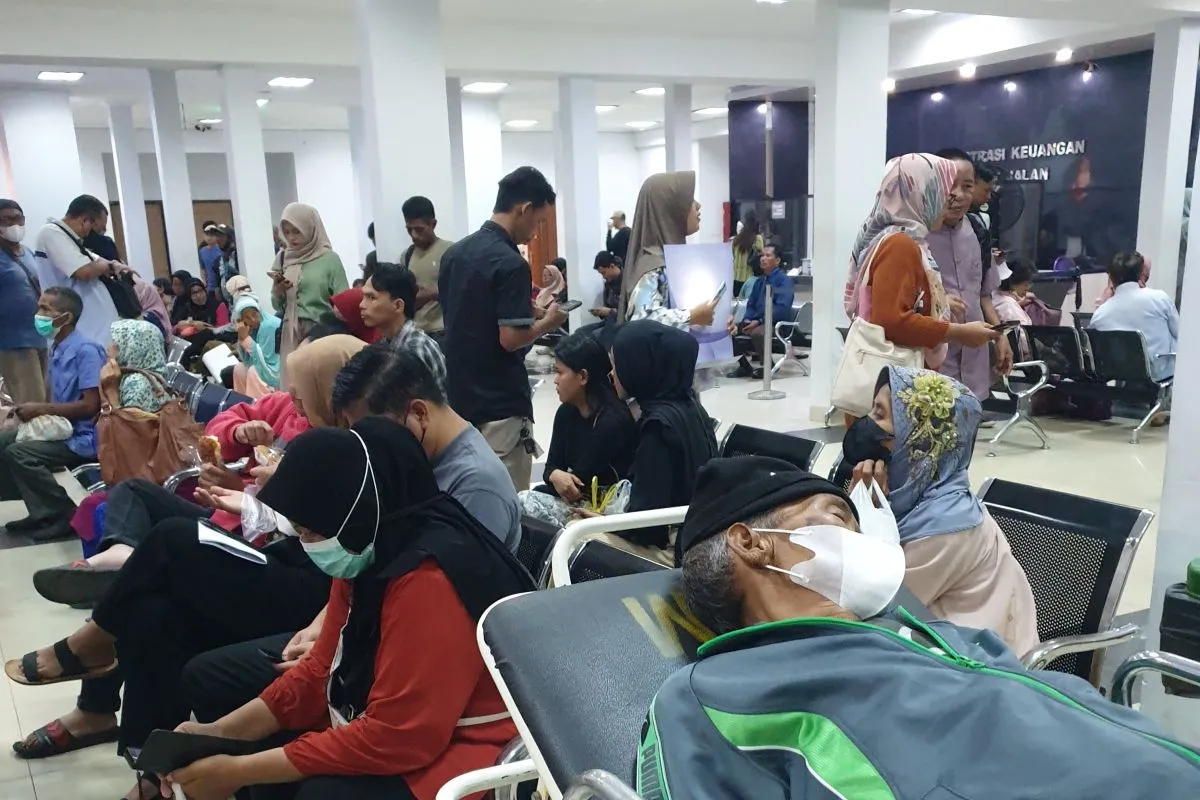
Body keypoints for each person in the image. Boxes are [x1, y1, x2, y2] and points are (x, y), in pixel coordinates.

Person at [647, 456, 1200, 800]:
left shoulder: (940, 637)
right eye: (839, 518)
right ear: (750, 543)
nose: (864, 542)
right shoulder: (711, 698)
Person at [11, 336, 367, 772]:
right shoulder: (294, 413)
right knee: (151, 610)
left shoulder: (354, 447)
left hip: (304, 575)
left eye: (304, 389)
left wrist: (257, 495)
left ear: (334, 390)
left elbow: (329, 536)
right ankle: (151, 768)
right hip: (257, 536)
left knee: (170, 541)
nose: (293, 397)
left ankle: (92, 642)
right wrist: (240, 446)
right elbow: (223, 428)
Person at [158, 417, 532, 800]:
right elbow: (320, 670)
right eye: (300, 531)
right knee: (260, 752)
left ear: (356, 512)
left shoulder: (430, 579)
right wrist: (219, 734)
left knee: (317, 792)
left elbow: (399, 737)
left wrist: (236, 771)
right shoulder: (368, 548)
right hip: (410, 723)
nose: (308, 542)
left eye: (312, 531)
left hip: (474, 746)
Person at [179, 348, 525, 744]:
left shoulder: (475, 486)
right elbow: (364, 566)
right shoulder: (413, 462)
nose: (365, 449)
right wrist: (326, 631)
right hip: (368, 616)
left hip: (413, 651)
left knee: (221, 677)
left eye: (370, 433)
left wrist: (334, 646)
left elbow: (441, 613)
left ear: (417, 414)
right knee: (197, 641)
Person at [842, 366, 1039, 654]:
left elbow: (867, 604)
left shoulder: (944, 525)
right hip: (923, 646)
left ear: (920, 440)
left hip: (973, 662)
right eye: (873, 410)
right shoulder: (908, 499)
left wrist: (859, 516)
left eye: (880, 415)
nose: (867, 423)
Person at [438, 166, 568, 491]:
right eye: (538, 222)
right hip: (500, 402)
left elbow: (469, 314)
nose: (536, 232)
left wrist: (526, 311)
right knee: (508, 500)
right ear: (524, 209)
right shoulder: (511, 263)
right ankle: (515, 534)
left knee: (468, 495)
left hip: (459, 397)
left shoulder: (455, 254)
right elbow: (510, 339)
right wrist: (548, 323)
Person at [842, 154, 1000, 382]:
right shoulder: (900, 244)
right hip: (897, 381)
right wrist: (958, 332)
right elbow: (893, 321)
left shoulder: (897, 237)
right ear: (923, 193)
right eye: (942, 190)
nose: (948, 200)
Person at [0, 287, 103, 541]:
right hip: (61, 426)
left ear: (66, 317)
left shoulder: (86, 350)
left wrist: (41, 409)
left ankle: (65, 515)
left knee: (21, 453)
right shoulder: (58, 346)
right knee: (4, 441)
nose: (39, 314)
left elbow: (91, 406)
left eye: (46, 309)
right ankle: (40, 511)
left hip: (84, 436)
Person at [609, 321, 718, 558]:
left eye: (617, 365)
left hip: (675, 549)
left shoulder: (657, 428)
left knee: (575, 539)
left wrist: (601, 523)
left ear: (638, 367)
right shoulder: (691, 408)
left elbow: (646, 527)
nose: (612, 374)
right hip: (700, 534)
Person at [520, 332, 636, 528]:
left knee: (525, 502)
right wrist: (554, 474)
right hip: (581, 501)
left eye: (560, 372)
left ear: (582, 376)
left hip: (607, 509)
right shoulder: (566, 412)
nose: (555, 380)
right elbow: (552, 468)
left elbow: (578, 484)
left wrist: (557, 476)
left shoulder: (612, 422)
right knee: (529, 499)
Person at [927, 149, 1013, 399]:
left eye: (967, 186)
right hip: (933, 360)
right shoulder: (916, 235)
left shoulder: (978, 230)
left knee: (972, 420)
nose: (958, 195)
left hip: (975, 362)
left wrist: (1000, 336)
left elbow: (984, 294)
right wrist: (939, 301)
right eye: (950, 185)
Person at [619, 172, 716, 329]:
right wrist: (691, 316)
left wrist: (716, 321)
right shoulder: (653, 264)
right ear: (670, 208)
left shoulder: (671, 259)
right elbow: (641, 321)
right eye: (689, 200)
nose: (698, 205)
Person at [272, 203, 350, 385]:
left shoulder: (329, 259)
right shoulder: (284, 258)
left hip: (320, 330)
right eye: (287, 232)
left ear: (310, 228)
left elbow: (344, 299)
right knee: (293, 384)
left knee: (317, 385)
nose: (291, 238)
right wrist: (278, 291)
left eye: (297, 231)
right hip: (290, 330)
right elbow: (278, 306)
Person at [33, 194, 124, 346]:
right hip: (82, 331)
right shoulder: (51, 233)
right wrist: (107, 266)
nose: (96, 236)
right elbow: (84, 271)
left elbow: (103, 262)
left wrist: (110, 265)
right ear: (85, 220)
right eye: (98, 230)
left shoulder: (71, 239)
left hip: (95, 333)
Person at [1090, 251, 1178, 384]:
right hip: (1163, 382)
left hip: (1122, 384)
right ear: (1140, 274)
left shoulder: (1100, 315)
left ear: (1111, 277)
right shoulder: (1159, 299)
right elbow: (1181, 336)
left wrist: (1104, 298)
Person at [359, 263, 446, 391]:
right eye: (363, 297)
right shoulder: (385, 343)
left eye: (371, 297)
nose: (361, 305)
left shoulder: (416, 350)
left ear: (398, 305)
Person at [0, 199, 48, 404]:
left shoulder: (27, 252)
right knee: (32, 405)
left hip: (42, 336)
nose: (14, 224)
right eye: (6, 220)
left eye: (18, 218)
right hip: (14, 341)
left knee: (49, 403)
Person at [728, 242, 794, 380]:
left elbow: (782, 308)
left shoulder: (784, 281)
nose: (763, 258)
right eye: (762, 255)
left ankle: (768, 366)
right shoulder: (759, 282)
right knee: (728, 330)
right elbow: (751, 305)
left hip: (776, 323)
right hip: (757, 321)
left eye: (768, 256)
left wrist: (759, 321)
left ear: (777, 260)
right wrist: (748, 319)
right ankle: (744, 366)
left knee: (758, 332)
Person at [400, 195, 453, 341]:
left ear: (433, 224)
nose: (414, 235)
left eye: (419, 229)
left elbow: (463, 292)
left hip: (444, 331)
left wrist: (432, 294)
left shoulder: (451, 252)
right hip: (416, 333)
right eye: (409, 230)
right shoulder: (407, 256)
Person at [232, 294, 283, 398]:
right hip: (265, 371)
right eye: (247, 317)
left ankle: (259, 406)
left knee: (253, 371)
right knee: (239, 369)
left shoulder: (268, 326)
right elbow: (247, 360)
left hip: (279, 375)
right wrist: (242, 337)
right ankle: (243, 403)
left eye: (254, 314)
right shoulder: (252, 328)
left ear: (259, 311)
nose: (252, 319)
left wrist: (246, 339)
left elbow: (270, 373)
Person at [730, 212, 763, 295]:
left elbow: (733, 256)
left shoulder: (736, 239)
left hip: (736, 278)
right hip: (749, 279)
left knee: (738, 301)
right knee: (749, 301)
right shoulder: (757, 238)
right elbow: (761, 255)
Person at [212, 223, 240, 306]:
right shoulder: (219, 260)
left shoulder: (238, 256)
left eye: (220, 236)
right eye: (216, 236)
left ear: (229, 237)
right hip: (229, 304)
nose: (217, 239)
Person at [199, 221, 223, 297]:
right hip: (209, 288)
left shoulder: (222, 249)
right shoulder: (202, 251)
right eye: (207, 234)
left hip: (222, 286)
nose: (209, 237)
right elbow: (203, 269)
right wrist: (204, 283)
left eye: (212, 235)